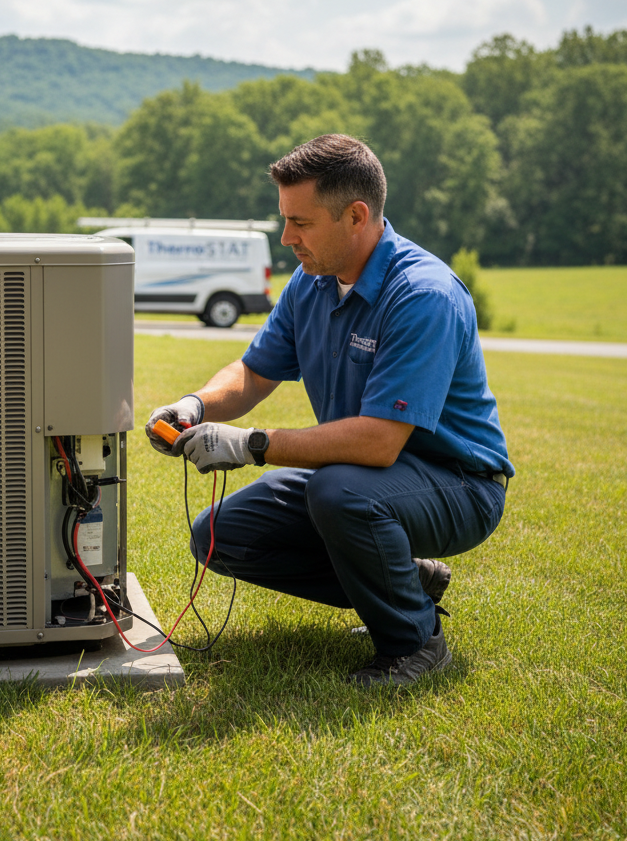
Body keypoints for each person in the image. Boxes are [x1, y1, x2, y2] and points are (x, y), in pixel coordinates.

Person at [145, 134, 513, 687]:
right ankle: (403, 580)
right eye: (285, 220)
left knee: (339, 493)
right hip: (358, 475)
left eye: (301, 223)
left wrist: (251, 445)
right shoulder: (311, 282)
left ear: (356, 216)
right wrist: (194, 405)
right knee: (220, 533)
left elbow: (378, 443)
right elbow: (255, 372)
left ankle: (413, 642)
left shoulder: (423, 294)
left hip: (458, 484)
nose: (287, 238)